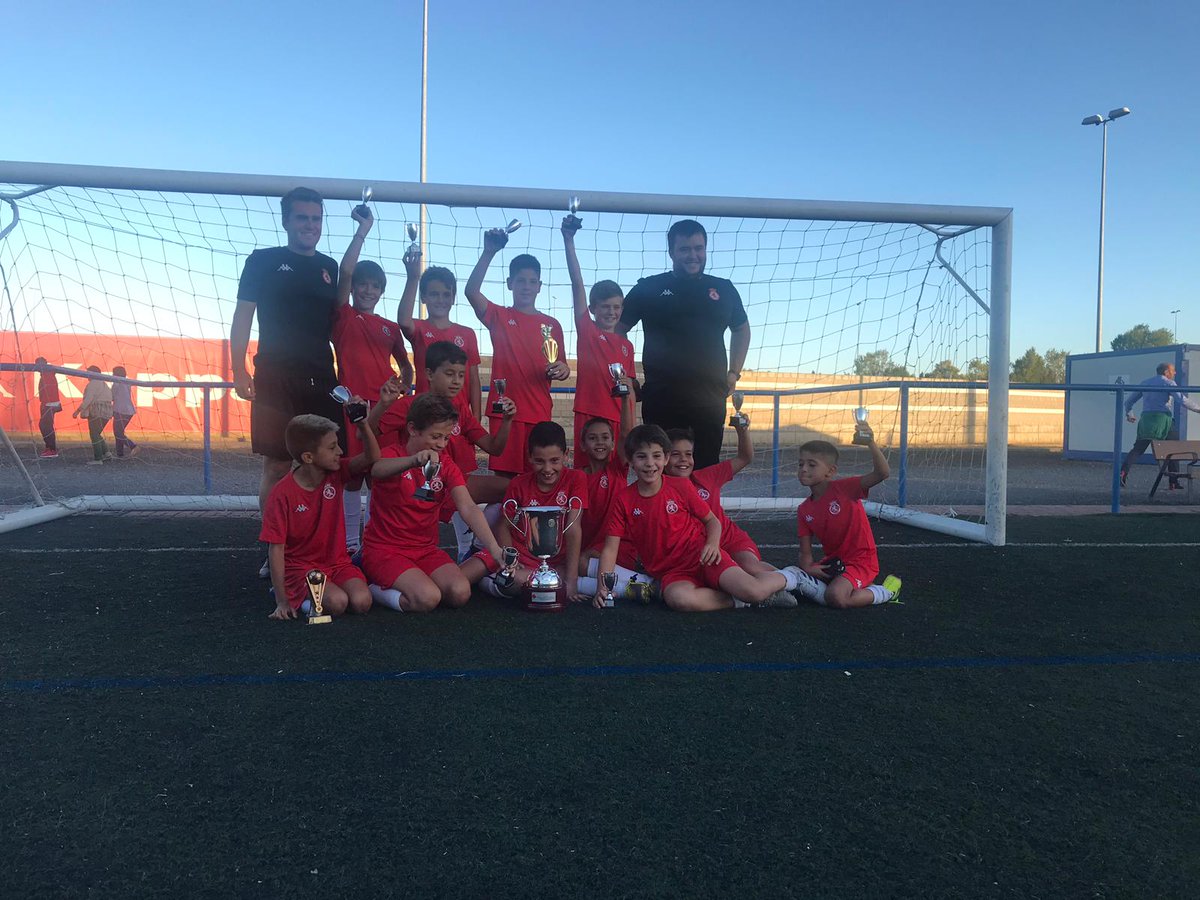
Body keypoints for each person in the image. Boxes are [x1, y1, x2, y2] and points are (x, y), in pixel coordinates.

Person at [229, 187, 345, 573]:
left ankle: (320, 549)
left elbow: (341, 327)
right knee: (278, 466)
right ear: (286, 221)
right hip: (275, 375)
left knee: (327, 464)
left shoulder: (330, 267)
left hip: (321, 376)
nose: (310, 225)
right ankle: (274, 550)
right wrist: (238, 368)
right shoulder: (262, 261)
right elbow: (242, 316)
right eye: (302, 218)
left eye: (316, 218)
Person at [593, 424, 802, 612]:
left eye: (656, 456)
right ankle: (739, 601)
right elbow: (610, 549)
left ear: (665, 459)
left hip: (703, 557)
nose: (650, 463)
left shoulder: (681, 486)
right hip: (672, 573)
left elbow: (712, 521)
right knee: (679, 600)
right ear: (630, 461)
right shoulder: (624, 499)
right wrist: (603, 588)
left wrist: (712, 544)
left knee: (753, 590)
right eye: (641, 457)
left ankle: (793, 577)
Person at [618, 219, 750, 469]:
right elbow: (617, 329)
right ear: (671, 252)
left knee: (705, 473)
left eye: (698, 248)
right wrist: (627, 374)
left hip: (709, 400)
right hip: (661, 399)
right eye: (685, 249)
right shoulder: (649, 287)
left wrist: (734, 372)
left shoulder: (724, 289)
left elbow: (741, 328)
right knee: (660, 474)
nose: (693, 255)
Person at [362, 393, 509, 613]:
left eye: (447, 438)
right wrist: (412, 461)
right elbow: (377, 469)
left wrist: (494, 548)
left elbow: (468, 507)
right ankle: (372, 588)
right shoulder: (392, 454)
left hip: (425, 550)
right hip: (385, 550)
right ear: (413, 429)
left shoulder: (445, 464)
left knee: (460, 592)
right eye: (436, 436)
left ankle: (417, 581)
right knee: (427, 598)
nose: (441, 444)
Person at [332, 203, 414, 552]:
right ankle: (351, 544)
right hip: (354, 408)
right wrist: (362, 231)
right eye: (362, 285)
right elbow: (345, 270)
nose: (368, 290)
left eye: (375, 286)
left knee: (381, 476)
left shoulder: (390, 327)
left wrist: (404, 385)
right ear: (354, 289)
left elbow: (406, 366)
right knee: (353, 476)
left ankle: (378, 542)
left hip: (386, 409)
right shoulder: (343, 316)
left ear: (382, 291)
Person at [465, 229, 570, 476]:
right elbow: (471, 292)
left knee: (538, 476)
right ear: (510, 283)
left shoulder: (552, 325)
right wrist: (489, 252)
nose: (526, 286)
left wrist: (563, 369)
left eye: (532, 281)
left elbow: (562, 366)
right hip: (505, 412)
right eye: (521, 281)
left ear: (540, 286)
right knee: (505, 480)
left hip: (538, 412)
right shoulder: (500, 316)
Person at [259, 409, 378, 620]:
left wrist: (362, 424)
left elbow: (372, 457)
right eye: (332, 447)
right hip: (301, 569)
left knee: (362, 602)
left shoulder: (336, 472)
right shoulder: (282, 494)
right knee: (337, 603)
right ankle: (295, 598)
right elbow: (276, 548)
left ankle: (313, 596)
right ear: (308, 457)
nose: (340, 451)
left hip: (338, 564)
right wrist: (281, 600)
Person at [665, 419, 793, 585]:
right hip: (696, 550)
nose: (684, 459)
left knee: (750, 567)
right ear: (664, 458)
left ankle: (795, 579)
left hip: (729, 540)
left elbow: (745, 457)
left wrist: (742, 430)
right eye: (676, 454)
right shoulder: (659, 491)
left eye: (688, 454)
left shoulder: (707, 476)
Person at [790, 424, 902, 608]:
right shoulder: (804, 509)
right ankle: (857, 587)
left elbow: (882, 473)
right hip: (835, 563)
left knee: (836, 596)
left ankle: (887, 591)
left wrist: (870, 442)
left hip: (861, 561)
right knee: (798, 584)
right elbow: (805, 554)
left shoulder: (845, 489)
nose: (803, 469)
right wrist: (809, 568)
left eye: (811, 464)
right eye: (800, 464)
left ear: (831, 471)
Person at [560, 213, 638, 469]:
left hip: (618, 419)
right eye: (605, 306)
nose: (611, 312)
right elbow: (577, 283)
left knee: (616, 476)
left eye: (616, 307)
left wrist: (630, 426)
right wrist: (569, 240)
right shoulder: (588, 331)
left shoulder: (627, 346)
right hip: (589, 413)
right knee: (585, 476)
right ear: (593, 308)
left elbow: (629, 389)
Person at [491, 422, 588, 601]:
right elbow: (503, 526)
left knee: (579, 569)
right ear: (529, 457)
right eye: (539, 461)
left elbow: (573, 528)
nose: (547, 469)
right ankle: (494, 582)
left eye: (554, 460)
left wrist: (572, 580)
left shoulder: (576, 479)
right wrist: (512, 561)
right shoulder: (518, 484)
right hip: (524, 560)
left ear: (566, 455)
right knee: (513, 578)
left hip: (557, 563)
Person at [396, 257, 483, 419]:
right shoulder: (419, 328)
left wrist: (476, 417)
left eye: (446, 295)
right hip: (427, 415)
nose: (440, 300)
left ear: (453, 298)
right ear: (424, 297)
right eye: (434, 294)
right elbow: (403, 321)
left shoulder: (467, 333)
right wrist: (413, 278)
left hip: (459, 416)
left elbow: (473, 379)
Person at [1120, 362, 1200, 490]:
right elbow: (1182, 400)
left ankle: (1123, 472)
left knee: (1138, 449)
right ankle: (1173, 481)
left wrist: (1129, 414)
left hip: (1146, 419)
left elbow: (1129, 401)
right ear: (1166, 372)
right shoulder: (1169, 383)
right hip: (1162, 419)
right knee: (1174, 448)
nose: (1175, 373)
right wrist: (1198, 409)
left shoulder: (1145, 383)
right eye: (1173, 370)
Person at [72, 366, 113, 465]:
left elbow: (88, 399)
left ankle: (98, 458)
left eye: (88, 373)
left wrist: (77, 411)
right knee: (97, 433)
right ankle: (107, 453)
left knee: (94, 434)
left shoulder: (92, 384)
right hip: (107, 411)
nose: (87, 375)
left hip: (96, 411)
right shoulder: (104, 384)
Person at [35, 357, 61, 458]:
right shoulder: (47, 373)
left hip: (49, 404)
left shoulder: (47, 374)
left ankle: (52, 449)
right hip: (49, 403)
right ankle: (49, 447)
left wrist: (45, 403)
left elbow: (49, 392)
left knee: (46, 426)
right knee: (46, 426)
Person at [110, 366, 139, 458]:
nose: (112, 375)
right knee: (119, 432)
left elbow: (111, 396)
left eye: (113, 373)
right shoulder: (127, 382)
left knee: (118, 433)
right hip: (129, 410)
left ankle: (133, 446)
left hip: (120, 410)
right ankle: (120, 454)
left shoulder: (116, 383)